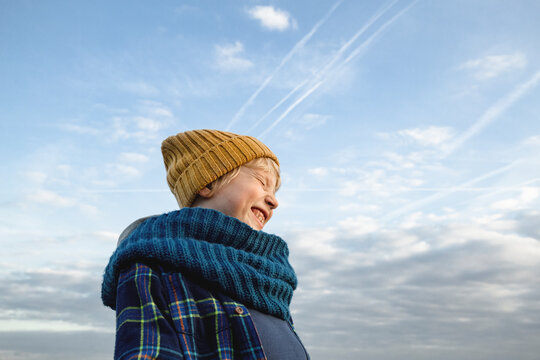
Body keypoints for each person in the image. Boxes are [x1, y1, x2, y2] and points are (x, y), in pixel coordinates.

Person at [101, 129, 309, 360]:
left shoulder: (268, 278)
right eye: (262, 182)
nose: (274, 201)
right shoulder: (153, 263)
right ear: (208, 183)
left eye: (274, 191)